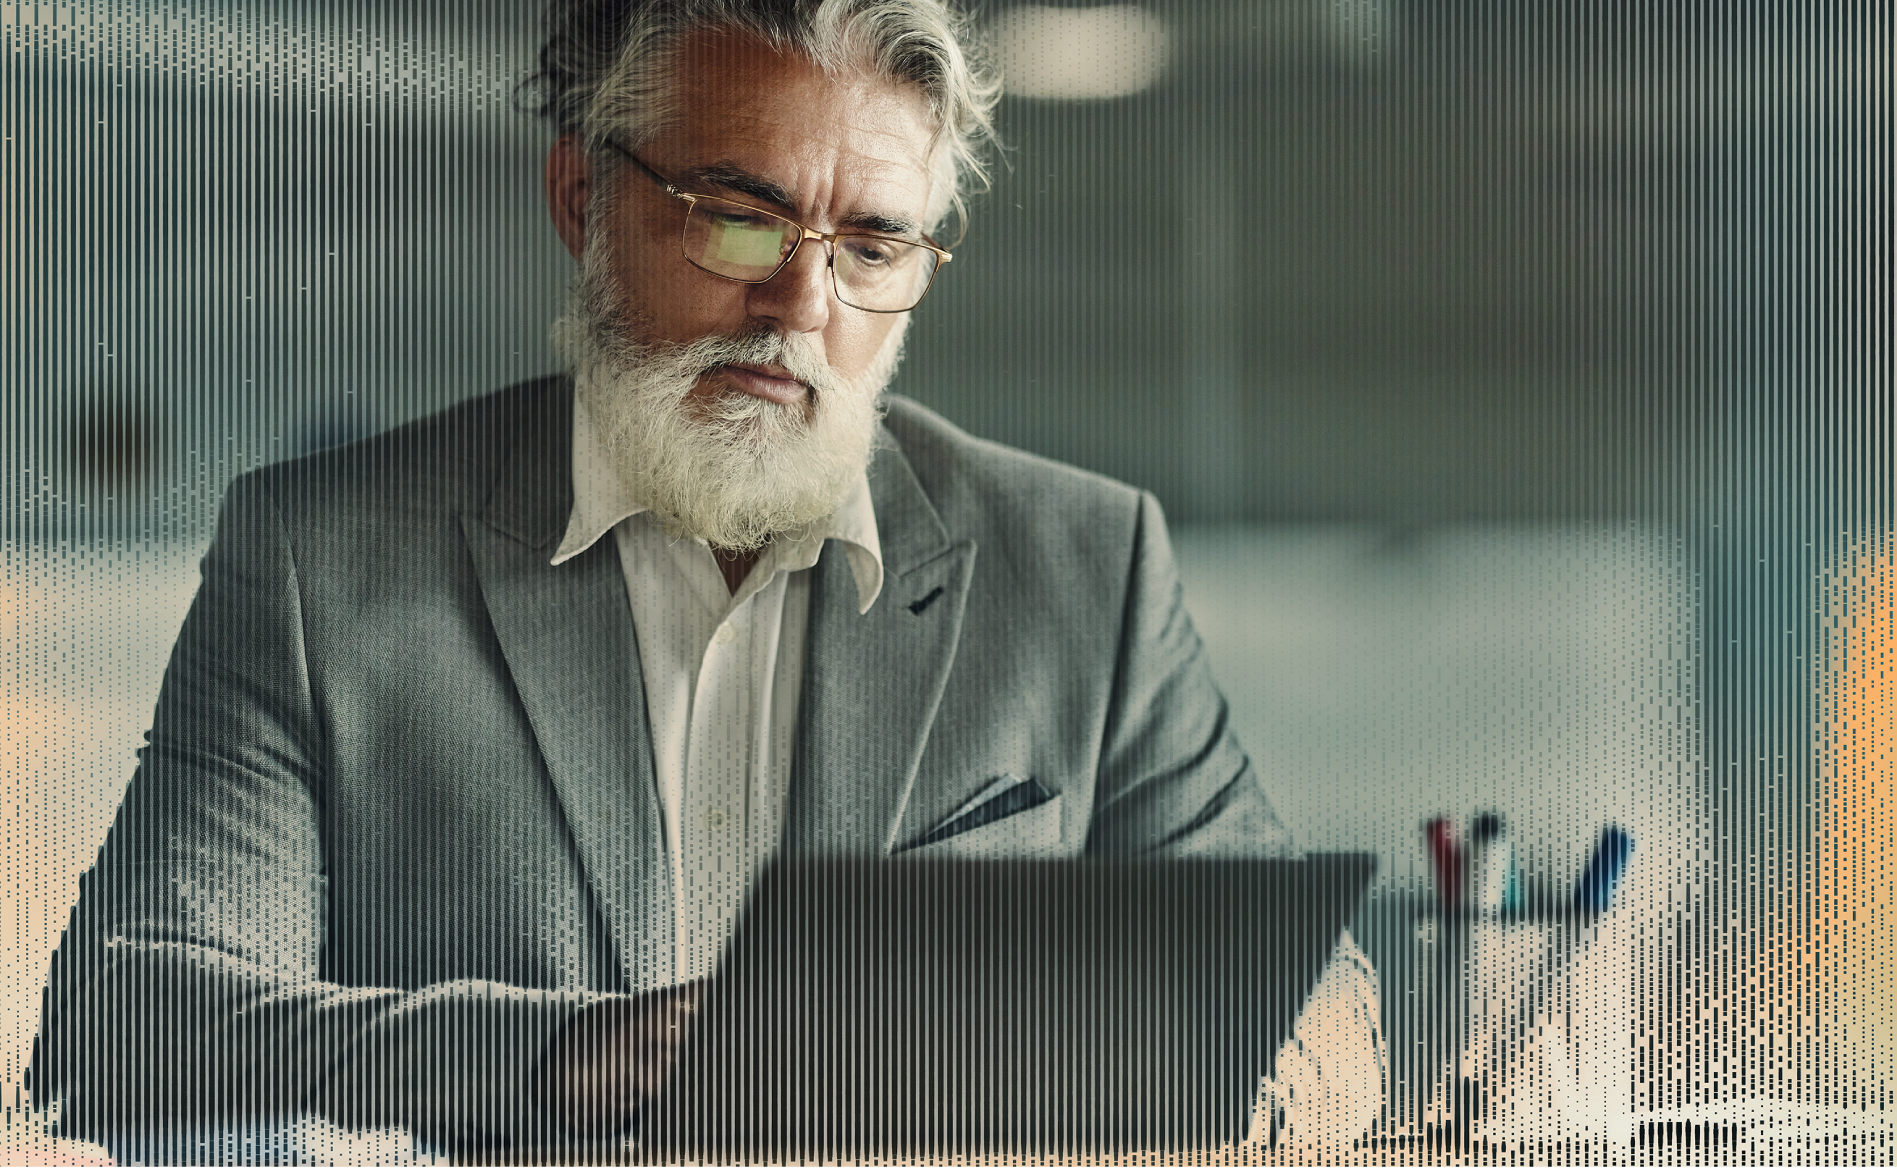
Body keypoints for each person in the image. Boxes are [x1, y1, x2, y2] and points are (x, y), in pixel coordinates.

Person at [29, 0, 1383, 1155]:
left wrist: (1204, 1085)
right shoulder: (321, 564)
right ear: (582, 200)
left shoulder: (1083, 569)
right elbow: (122, 1034)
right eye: (740, 219)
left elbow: (1317, 998)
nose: (803, 304)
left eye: (871, 247)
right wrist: (565, 1061)